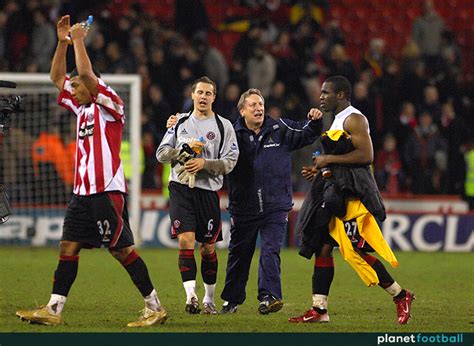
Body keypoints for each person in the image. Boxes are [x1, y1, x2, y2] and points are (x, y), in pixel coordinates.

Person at [16, 15, 167, 328]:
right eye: (71, 86)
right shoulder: (80, 106)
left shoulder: (110, 103)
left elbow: (85, 72)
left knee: (121, 249)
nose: (71, 88)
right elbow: (56, 76)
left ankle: (154, 306)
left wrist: (80, 40)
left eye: (76, 85)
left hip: (105, 190)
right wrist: (61, 43)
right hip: (82, 192)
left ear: (92, 85)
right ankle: (54, 309)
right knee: (68, 246)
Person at [290, 75, 414, 324]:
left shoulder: (354, 118)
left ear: (341, 95)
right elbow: (341, 157)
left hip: (352, 196)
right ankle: (320, 309)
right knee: (322, 247)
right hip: (334, 190)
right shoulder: (335, 120)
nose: (321, 96)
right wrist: (320, 170)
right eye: (321, 92)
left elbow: (366, 155)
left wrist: (329, 160)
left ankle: (401, 295)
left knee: (355, 250)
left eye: (326, 92)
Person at [219, 89, 322, 314]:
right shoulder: (231, 134)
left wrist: (314, 121)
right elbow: (209, 141)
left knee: (270, 250)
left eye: (261, 104)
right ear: (242, 110)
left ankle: (269, 297)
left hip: (275, 204)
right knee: (239, 254)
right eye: (253, 105)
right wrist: (178, 123)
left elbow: (305, 132)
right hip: (243, 205)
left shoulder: (279, 128)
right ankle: (232, 300)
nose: (259, 108)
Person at [156, 76, 239, 315]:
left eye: (208, 93)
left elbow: (230, 162)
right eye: (199, 92)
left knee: (208, 249)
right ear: (192, 95)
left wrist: (204, 164)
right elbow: (161, 154)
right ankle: (191, 296)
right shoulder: (179, 123)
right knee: (186, 240)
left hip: (209, 192)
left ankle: (208, 299)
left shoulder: (224, 126)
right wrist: (181, 154)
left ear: (214, 97)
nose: (203, 97)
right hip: (181, 189)